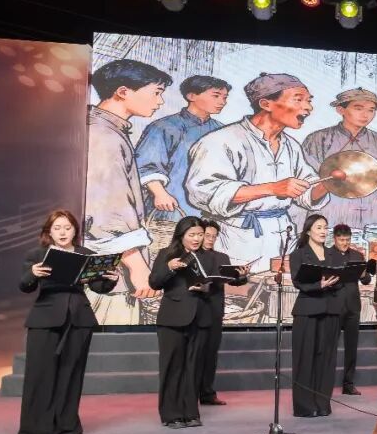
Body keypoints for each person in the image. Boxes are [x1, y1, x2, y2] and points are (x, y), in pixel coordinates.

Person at [185, 73, 332, 273]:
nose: (308, 108)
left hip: (283, 238)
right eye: (298, 100)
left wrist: (328, 183)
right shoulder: (220, 141)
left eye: (309, 101)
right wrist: (272, 188)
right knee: (239, 289)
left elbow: (306, 193)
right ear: (266, 104)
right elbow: (204, 192)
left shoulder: (291, 146)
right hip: (235, 239)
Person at [18, 210, 120, 434]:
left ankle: (66, 427)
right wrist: (32, 273)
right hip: (45, 319)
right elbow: (25, 286)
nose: (62, 232)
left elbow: (98, 287)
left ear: (75, 230)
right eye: (57, 228)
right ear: (49, 232)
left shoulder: (86, 254)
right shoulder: (37, 254)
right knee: (39, 375)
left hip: (79, 319)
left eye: (67, 228)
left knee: (71, 373)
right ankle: (37, 431)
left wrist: (111, 280)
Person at [85, 59, 173, 324]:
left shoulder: (107, 129)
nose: (160, 101)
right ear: (123, 91)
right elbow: (107, 213)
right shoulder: (104, 136)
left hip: (107, 268)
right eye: (156, 92)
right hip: (108, 274)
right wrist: (137, 267)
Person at [301, 88, 377, 229]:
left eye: (371, 110)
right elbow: (306, 177)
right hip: (331, 209)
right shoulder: (318, 139)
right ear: (340, 110)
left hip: (370, 208)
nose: (365, 115)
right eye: (358, 108)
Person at [149, 217, 216, 429]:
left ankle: (190, 412)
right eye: (192, 235)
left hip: (200, 317)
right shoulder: (167, 254)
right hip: (173, 318)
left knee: (193, 368)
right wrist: (169, 268)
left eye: (200, 234)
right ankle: (171, 414)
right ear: (181, 235)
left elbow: (215, 285)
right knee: (172, 367)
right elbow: (154, 282)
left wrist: (206, 288)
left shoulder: (209, 257)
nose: (197, 239)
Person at [136, 75, 231, 218]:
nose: (222, 102)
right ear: (191, 96)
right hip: (171, 205)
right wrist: (160, 194)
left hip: (210, 209)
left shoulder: (222, 131)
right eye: (216, 96)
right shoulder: (164, 127)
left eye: (225, 97)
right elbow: (145, 165)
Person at [289, 214, 343, 417]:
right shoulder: (298, 254)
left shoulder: (333, 254)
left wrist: (334, 282)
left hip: (331, 310)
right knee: (305, 358)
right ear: (308, 230)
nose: (323, 231)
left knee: (326, 358)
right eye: (319, 227)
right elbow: (298, 282)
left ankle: (322, 403)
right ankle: (305, 405)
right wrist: (318, 285)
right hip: (308, 310)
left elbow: (342, 278)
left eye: (325, 227)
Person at [198, 220, 250, 406]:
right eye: (207, 235)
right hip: (195, 309)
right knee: (195, 353)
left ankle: (207, 393)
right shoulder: (191, 256)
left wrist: (242, 276)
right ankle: (189, 393)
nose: (210, 239)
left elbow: (233, 280)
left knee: (211, 353)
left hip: (214, 310)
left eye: (214, 236)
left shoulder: (222, 257)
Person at [330, 223, 371, 396]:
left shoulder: (357, 255)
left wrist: (364, 274)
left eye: (347, 240)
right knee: (330, 347)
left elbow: (366, 280)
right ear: (334, 239)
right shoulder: (327, 255)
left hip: (353, 306)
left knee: (351, 347)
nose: (344, 243)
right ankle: (326, 383)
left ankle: (348, 384)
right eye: (341, 240)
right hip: (333, 305)